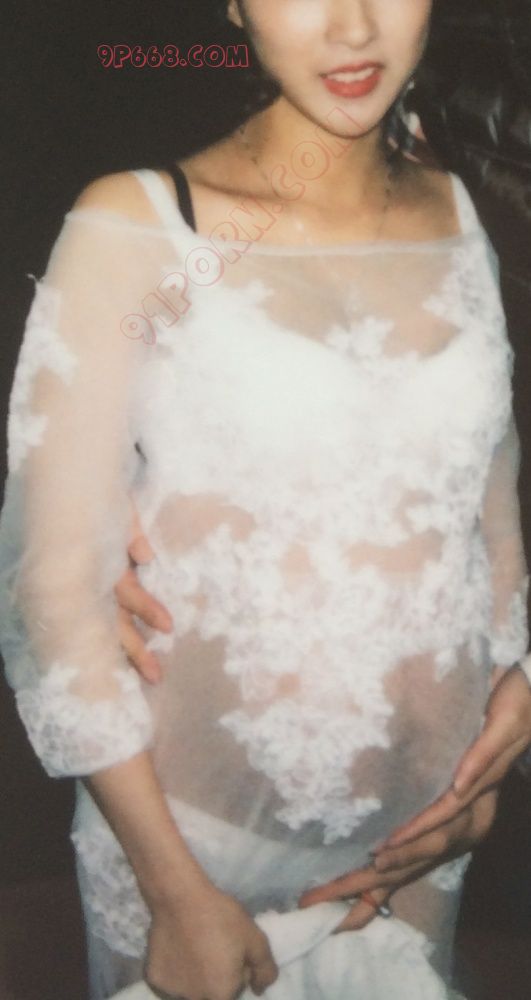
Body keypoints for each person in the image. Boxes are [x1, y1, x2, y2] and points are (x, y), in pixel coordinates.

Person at [1, 1, 531, 998]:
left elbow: (492, 525)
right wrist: (173, 890)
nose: (354, 27)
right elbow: (53, 587)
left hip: (424, 836)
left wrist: (508, 732)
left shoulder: (469, 210)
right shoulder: (144, 224)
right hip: (201, 848)